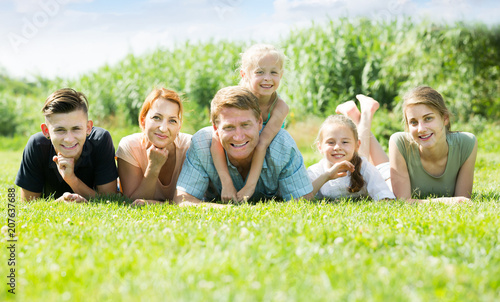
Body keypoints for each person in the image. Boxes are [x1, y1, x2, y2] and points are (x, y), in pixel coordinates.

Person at [174, 86, 313, 206]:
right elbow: (182, 200)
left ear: (259, 122)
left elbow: (303, 199)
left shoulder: (281, 144)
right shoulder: (202, 144)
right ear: (215, 128)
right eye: (229, 127)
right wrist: (227, 210)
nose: (238, 136)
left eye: (245, 125)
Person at [211, 44, 289, 203]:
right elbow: (216, 138)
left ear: (281, 75)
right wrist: (226, 182)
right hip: (237, 148)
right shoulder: (236, 99)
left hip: (266, 152)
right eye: (260, 72)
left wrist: (250, 186)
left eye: (273, 72)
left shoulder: (280, 107)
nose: (267, 78)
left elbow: (262, 144)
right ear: (244, 74)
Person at [15, 88, 118, 202]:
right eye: (60, 130)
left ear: (88, 128)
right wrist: (57, 205)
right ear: (46, 131)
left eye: (76, 129)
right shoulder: (37, 145)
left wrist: (72, 179)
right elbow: (28, 205)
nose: (69, 139)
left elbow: (110, 200)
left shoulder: (100, 140)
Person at [389, 86, 477, 203]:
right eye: (413, 122)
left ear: (444, 118)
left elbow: (463, 200)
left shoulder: (467, 143)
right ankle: (365, 115)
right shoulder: (399, 142)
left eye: (428, 118)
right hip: (386, 175)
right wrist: (448, 202)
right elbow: (403, 201)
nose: (421, 129)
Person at [116, 88, 191, 205]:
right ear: (143, 121)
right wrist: (154, 167)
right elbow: (132, 202)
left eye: (172, 121)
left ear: (179, 127)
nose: (163, 128)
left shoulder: (190, 147)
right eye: (157, 118)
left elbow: (193, 201)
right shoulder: (129, 146)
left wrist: (156, 204)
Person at [307, 115, 395, 201]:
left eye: (345, 142)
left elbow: (384, 194)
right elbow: (304, 196)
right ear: (320, 147)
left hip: (383, 174)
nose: (337, 147)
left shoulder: (364, 167)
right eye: (331, 142)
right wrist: (327, 175)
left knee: (390, 181)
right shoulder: (316, 171)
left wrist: (384, 199)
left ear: (357, 145)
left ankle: (366, 113)